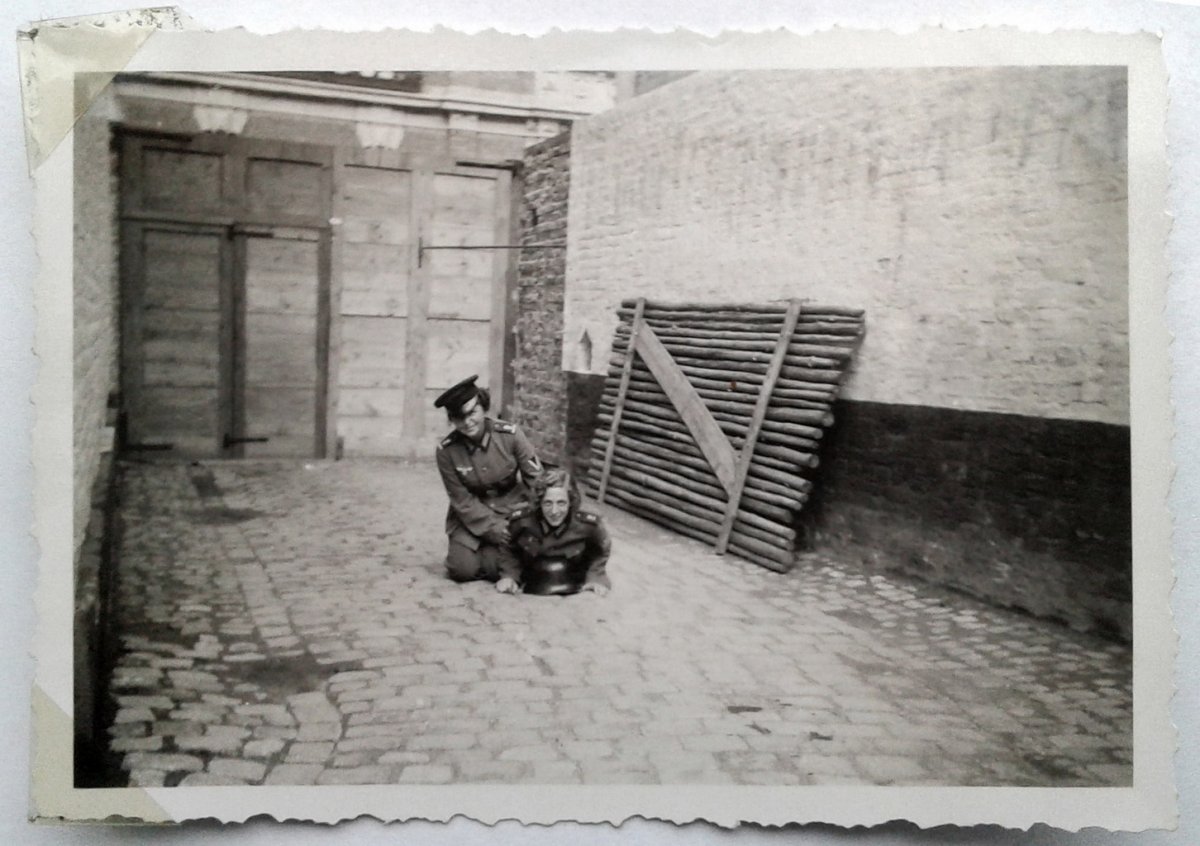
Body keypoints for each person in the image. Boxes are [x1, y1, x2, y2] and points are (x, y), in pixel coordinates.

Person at [434, 375, 543, 585]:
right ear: (452, 420)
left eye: (472, 413)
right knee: (461, 570)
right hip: (471, 518)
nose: (467, 422)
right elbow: (462, 500)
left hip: (511, 509)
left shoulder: (511, 435)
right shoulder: (446, 452)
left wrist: (530, 520)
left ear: (484, 408)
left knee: (500, 566)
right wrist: (494, 529)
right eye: (458, 418)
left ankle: (493, 558)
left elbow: (536, 481)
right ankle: (491, 555)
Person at [499, 468, 612, 597]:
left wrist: (595, 578)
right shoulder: (523, 520)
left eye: (561, 503)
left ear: (571, 501)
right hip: (533, 581)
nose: (554, 511)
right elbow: (509, 547)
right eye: (548, 503)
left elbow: (601, 550)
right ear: (539, 502)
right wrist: (509, 576)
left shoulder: (588, 524)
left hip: (574, 580)